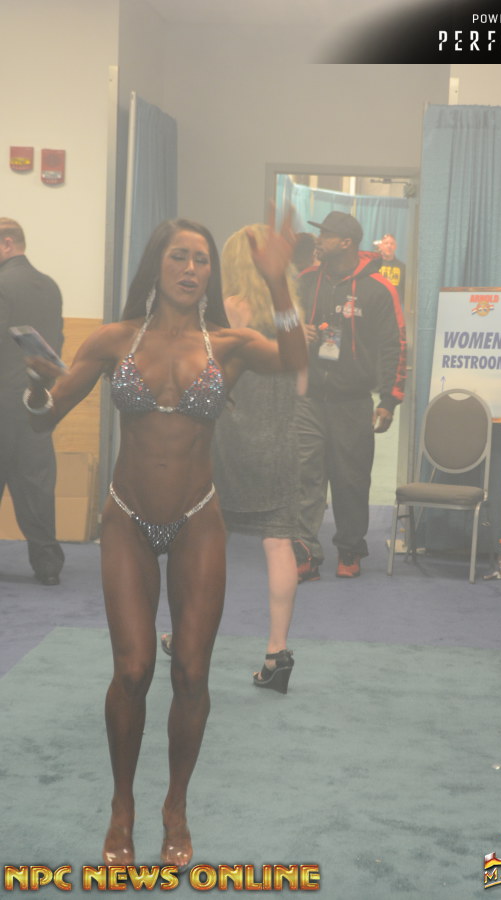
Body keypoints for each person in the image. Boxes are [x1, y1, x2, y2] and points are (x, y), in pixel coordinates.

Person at [23, 215, 306, 868]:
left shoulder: (230, 343)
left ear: (211, 272)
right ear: (156, 264)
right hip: (126, 517)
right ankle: (122, 806)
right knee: (133, 670)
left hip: (197, 518)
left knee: (191, 673)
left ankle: (175, 807)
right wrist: (38, 386)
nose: (190, 269)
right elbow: (44, 420)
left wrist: (277, 283)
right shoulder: (113, 339)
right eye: (179, 257)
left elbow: (295, 361)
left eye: (201, 260)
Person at [162, 223, 304, 694]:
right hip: (280, 438)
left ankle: (185, 634)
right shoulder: (290, 311)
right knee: (279, 544)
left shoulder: (224, 310)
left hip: (225, 438)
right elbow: (301, 376)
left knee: (203, 540)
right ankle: (277, 652)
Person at [293, 211, 406, 581]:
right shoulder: (306, 281)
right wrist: (294, 329)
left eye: (325, 234)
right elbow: (274, 320)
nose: (318, 240)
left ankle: (350, 549)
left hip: (353, 401)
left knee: (351, 480)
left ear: (345, 242)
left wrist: (389, 400)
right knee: (305, 476)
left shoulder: (378, 288)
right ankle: (305, 552)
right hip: (308, 398)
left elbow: (394, 345)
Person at [0, 218, 65, 585]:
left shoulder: (1, 284)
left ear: (7, 244)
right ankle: (48, 566)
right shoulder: (50, 286)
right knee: (37, 484)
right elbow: (57, 343)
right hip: (35, 399)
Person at [376, 233, 405, 302]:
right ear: (381, 246)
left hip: (395, 305)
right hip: (377, 304)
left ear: (395, 247)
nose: (389, 246)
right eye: (386, 243)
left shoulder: (402, 267)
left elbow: (404, 291)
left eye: (392, 244)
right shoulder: (374, 265)